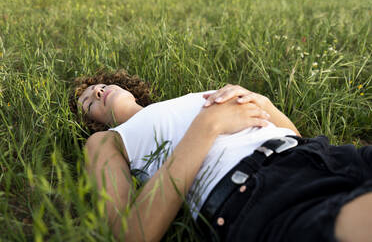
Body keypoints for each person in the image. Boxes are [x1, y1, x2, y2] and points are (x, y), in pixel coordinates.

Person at [70, 70, 372, 242]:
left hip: (322, 156)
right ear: (93, 121)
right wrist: (207, 128)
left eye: (102, 86)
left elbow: (294, 136)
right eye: (87, 101)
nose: (98, 92)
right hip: (258, 189)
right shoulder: (105, 141)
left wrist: (263, 102)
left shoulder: (185, 99)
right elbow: (129, 234)